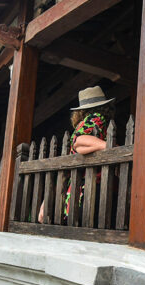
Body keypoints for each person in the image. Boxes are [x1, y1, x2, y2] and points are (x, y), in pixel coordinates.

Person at [38, 85, 114, 223]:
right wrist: (110, 147)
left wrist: (45, 203)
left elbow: (76, 146)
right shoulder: (97, 117)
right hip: (91, 186)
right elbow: (79, 141)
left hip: (75, 190)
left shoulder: (82, 123)